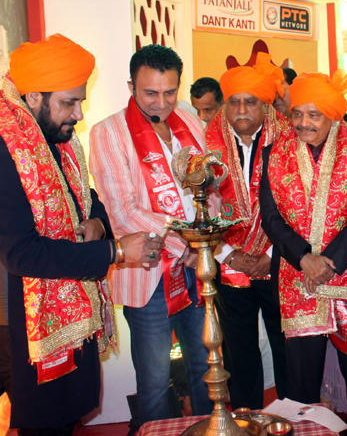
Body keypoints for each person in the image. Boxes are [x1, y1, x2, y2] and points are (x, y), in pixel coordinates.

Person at [0, 34, 161, 434]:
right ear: (33, 96)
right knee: (47, 427)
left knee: (67, 421)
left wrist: (99, 223)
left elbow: (88, 199)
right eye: (69, 102)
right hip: (21, 330)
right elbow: (22, 255)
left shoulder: (54, 144)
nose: (79, 113)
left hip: (69, 314)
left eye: (80, 101)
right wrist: (116, 251)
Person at [89, 44, 215, 425]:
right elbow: (122, 209)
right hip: (147, 272)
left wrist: (205, 238)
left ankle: (209, 430)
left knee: (205, 362)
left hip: (196, 268)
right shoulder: (108, 132)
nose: (161, 102)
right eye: (150, 92)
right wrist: (188, 244)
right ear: (131, 86)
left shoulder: (191, 123)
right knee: (157, 378)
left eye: (170, 92)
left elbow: (208, 187)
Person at [259, 69, 347, 436]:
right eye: (298, 114)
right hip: (298, 279)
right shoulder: (273, 153)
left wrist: (331, 261)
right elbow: (271, 217)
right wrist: (304, 259)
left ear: (333, 115)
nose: (303, 123)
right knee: (300, 376)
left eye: (314, 115)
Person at [207, 52, 291, 410]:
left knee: (287, 346)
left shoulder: (287, 136)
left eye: (250, 102)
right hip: (228, 263)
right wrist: (229, 254)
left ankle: (292, 416)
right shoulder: (205, 140)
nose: (241, 109)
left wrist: (270, 255)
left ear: (265, 105)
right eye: (234, 102)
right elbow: (194, 205)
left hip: (279, 261)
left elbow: (298, 203)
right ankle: (245, 419)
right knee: (239, 352)